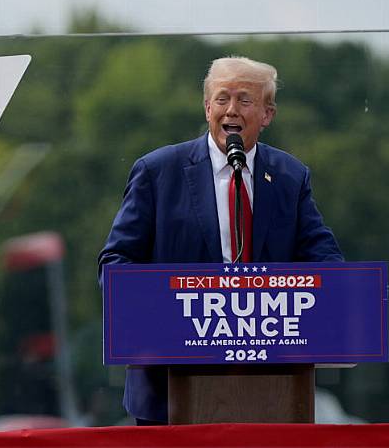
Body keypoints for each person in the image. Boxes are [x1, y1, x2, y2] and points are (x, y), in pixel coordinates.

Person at [98, 56, 343, 425]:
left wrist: (336, 291)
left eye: (245, 100)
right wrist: (164, 306)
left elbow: (325, 259)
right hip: (168, 391)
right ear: (207, 106)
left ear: (267, 114)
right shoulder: (157, 171)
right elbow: (115, 263)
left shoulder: (290, 177)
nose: (232, 109)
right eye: (222, 98)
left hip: (270, 390)